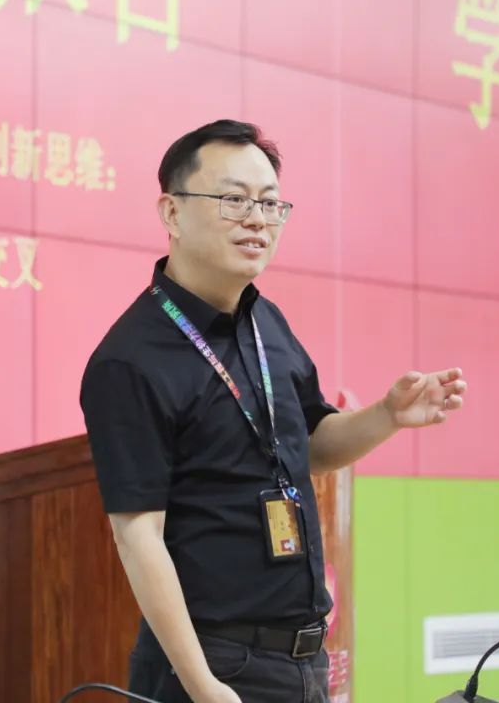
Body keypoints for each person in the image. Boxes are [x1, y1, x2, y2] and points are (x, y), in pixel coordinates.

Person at [80, 120, 467, 703]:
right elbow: (138, 536)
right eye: (234, 200)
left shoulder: (267, 325)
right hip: (212, 665)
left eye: (269, 203)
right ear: (172, 213)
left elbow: (311, 446)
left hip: (303, 660)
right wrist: (202, 684)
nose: (257, 220)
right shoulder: (131, 360)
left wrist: (387, 415)